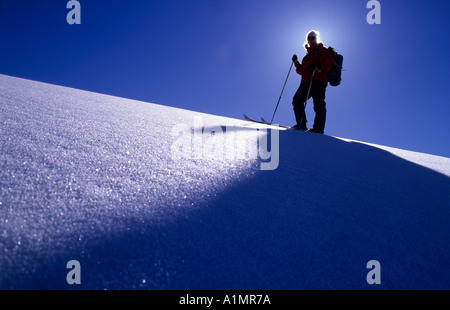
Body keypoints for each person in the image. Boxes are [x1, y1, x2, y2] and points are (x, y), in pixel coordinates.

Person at [291, 30, 333, 134]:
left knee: (318, 104)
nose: (311, 40)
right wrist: (296, 62)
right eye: (309, 38)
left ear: (316, 39)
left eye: (313, 37)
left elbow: (329, 62)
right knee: (297, 100)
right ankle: (302, 125)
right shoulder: (306, 57)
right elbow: (302, 71)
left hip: (319, 80)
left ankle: (318, 128)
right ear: (307, 40)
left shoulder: (322, 49)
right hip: (307, 82)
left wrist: (319, 68)